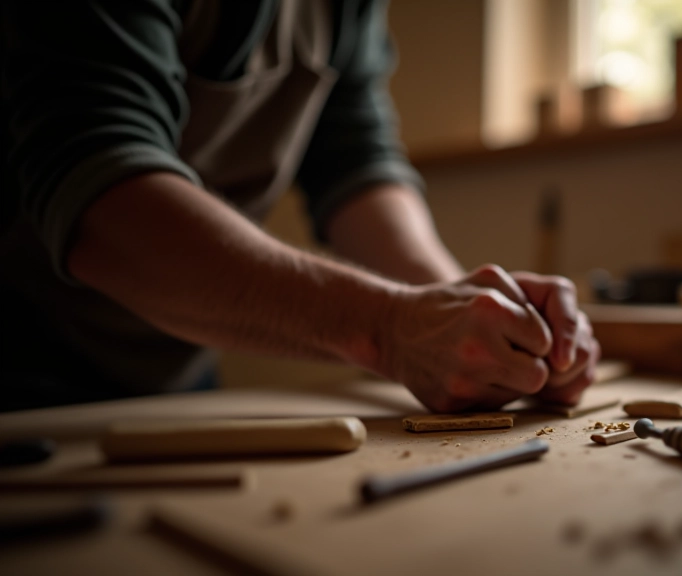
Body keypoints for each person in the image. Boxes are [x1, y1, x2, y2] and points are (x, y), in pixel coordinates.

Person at [0, 0, 599, 412]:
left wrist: (476, 322)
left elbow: (356, 162)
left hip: (172, 372)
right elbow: (102, 191)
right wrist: (388, 329)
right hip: (24, 361)